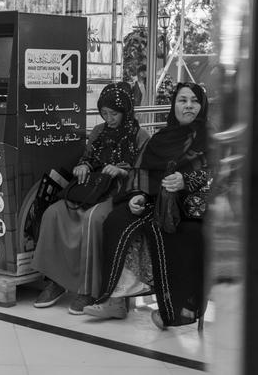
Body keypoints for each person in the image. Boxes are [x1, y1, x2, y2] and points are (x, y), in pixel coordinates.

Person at [84, 83, 210, 328]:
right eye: (182, 100)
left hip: (194, 207)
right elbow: (143, 173)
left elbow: (216, 173)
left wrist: (186, 180)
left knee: (178, 232)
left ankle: (176, 309)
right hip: (158, 202)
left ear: (202, 105)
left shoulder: (210, 137)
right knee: (117, 220)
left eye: (194, 101)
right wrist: (137, 195)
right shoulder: (163, 137)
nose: (188, 106)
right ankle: (115, 299)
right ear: (173, 105)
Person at [32, 82, 149, 315]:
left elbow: (144, 173)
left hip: (120, 194)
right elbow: (87, 158)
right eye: (104, 114)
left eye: (114, 114)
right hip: (92, 190)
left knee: (93, 220)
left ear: (126, 111)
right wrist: (83, 167)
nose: (109, 119)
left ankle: (89, 290)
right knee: (53, 213)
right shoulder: (98, 131)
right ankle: (56, 281)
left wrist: (122, 171)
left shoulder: (140, 135)